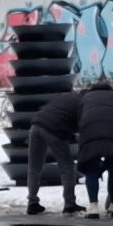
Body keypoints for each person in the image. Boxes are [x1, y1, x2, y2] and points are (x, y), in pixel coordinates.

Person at [75, 79, 113, 215]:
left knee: (91, 167)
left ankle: (93, 207)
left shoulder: (85, 99)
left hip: (90, 133)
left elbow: (80, 122)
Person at [23, 84, 84, 216]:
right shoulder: (84, 104)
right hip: (54, 129)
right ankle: (69, 204)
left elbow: (59, 113)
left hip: (36, 125)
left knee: (34, 167)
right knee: (67, 166)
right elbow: (81, 126)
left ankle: (32, 203)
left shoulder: (66, 96)